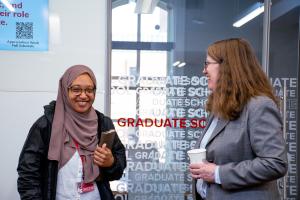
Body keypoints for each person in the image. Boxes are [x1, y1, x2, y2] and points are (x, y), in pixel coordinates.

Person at [189, 38, 288, 200]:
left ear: (227, 67)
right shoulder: (220, 108)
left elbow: (275, 163)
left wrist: (218, 173)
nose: (203, 71)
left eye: (207, 64)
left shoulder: (259, 106)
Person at [17, 65, 126, 200]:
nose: (83, 95)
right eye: (76, 89)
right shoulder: (46, 125)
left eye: (89, 90)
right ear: (64, 90)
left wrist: (111, 163)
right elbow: (28, 174)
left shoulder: (103, 123)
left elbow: (118, 168)